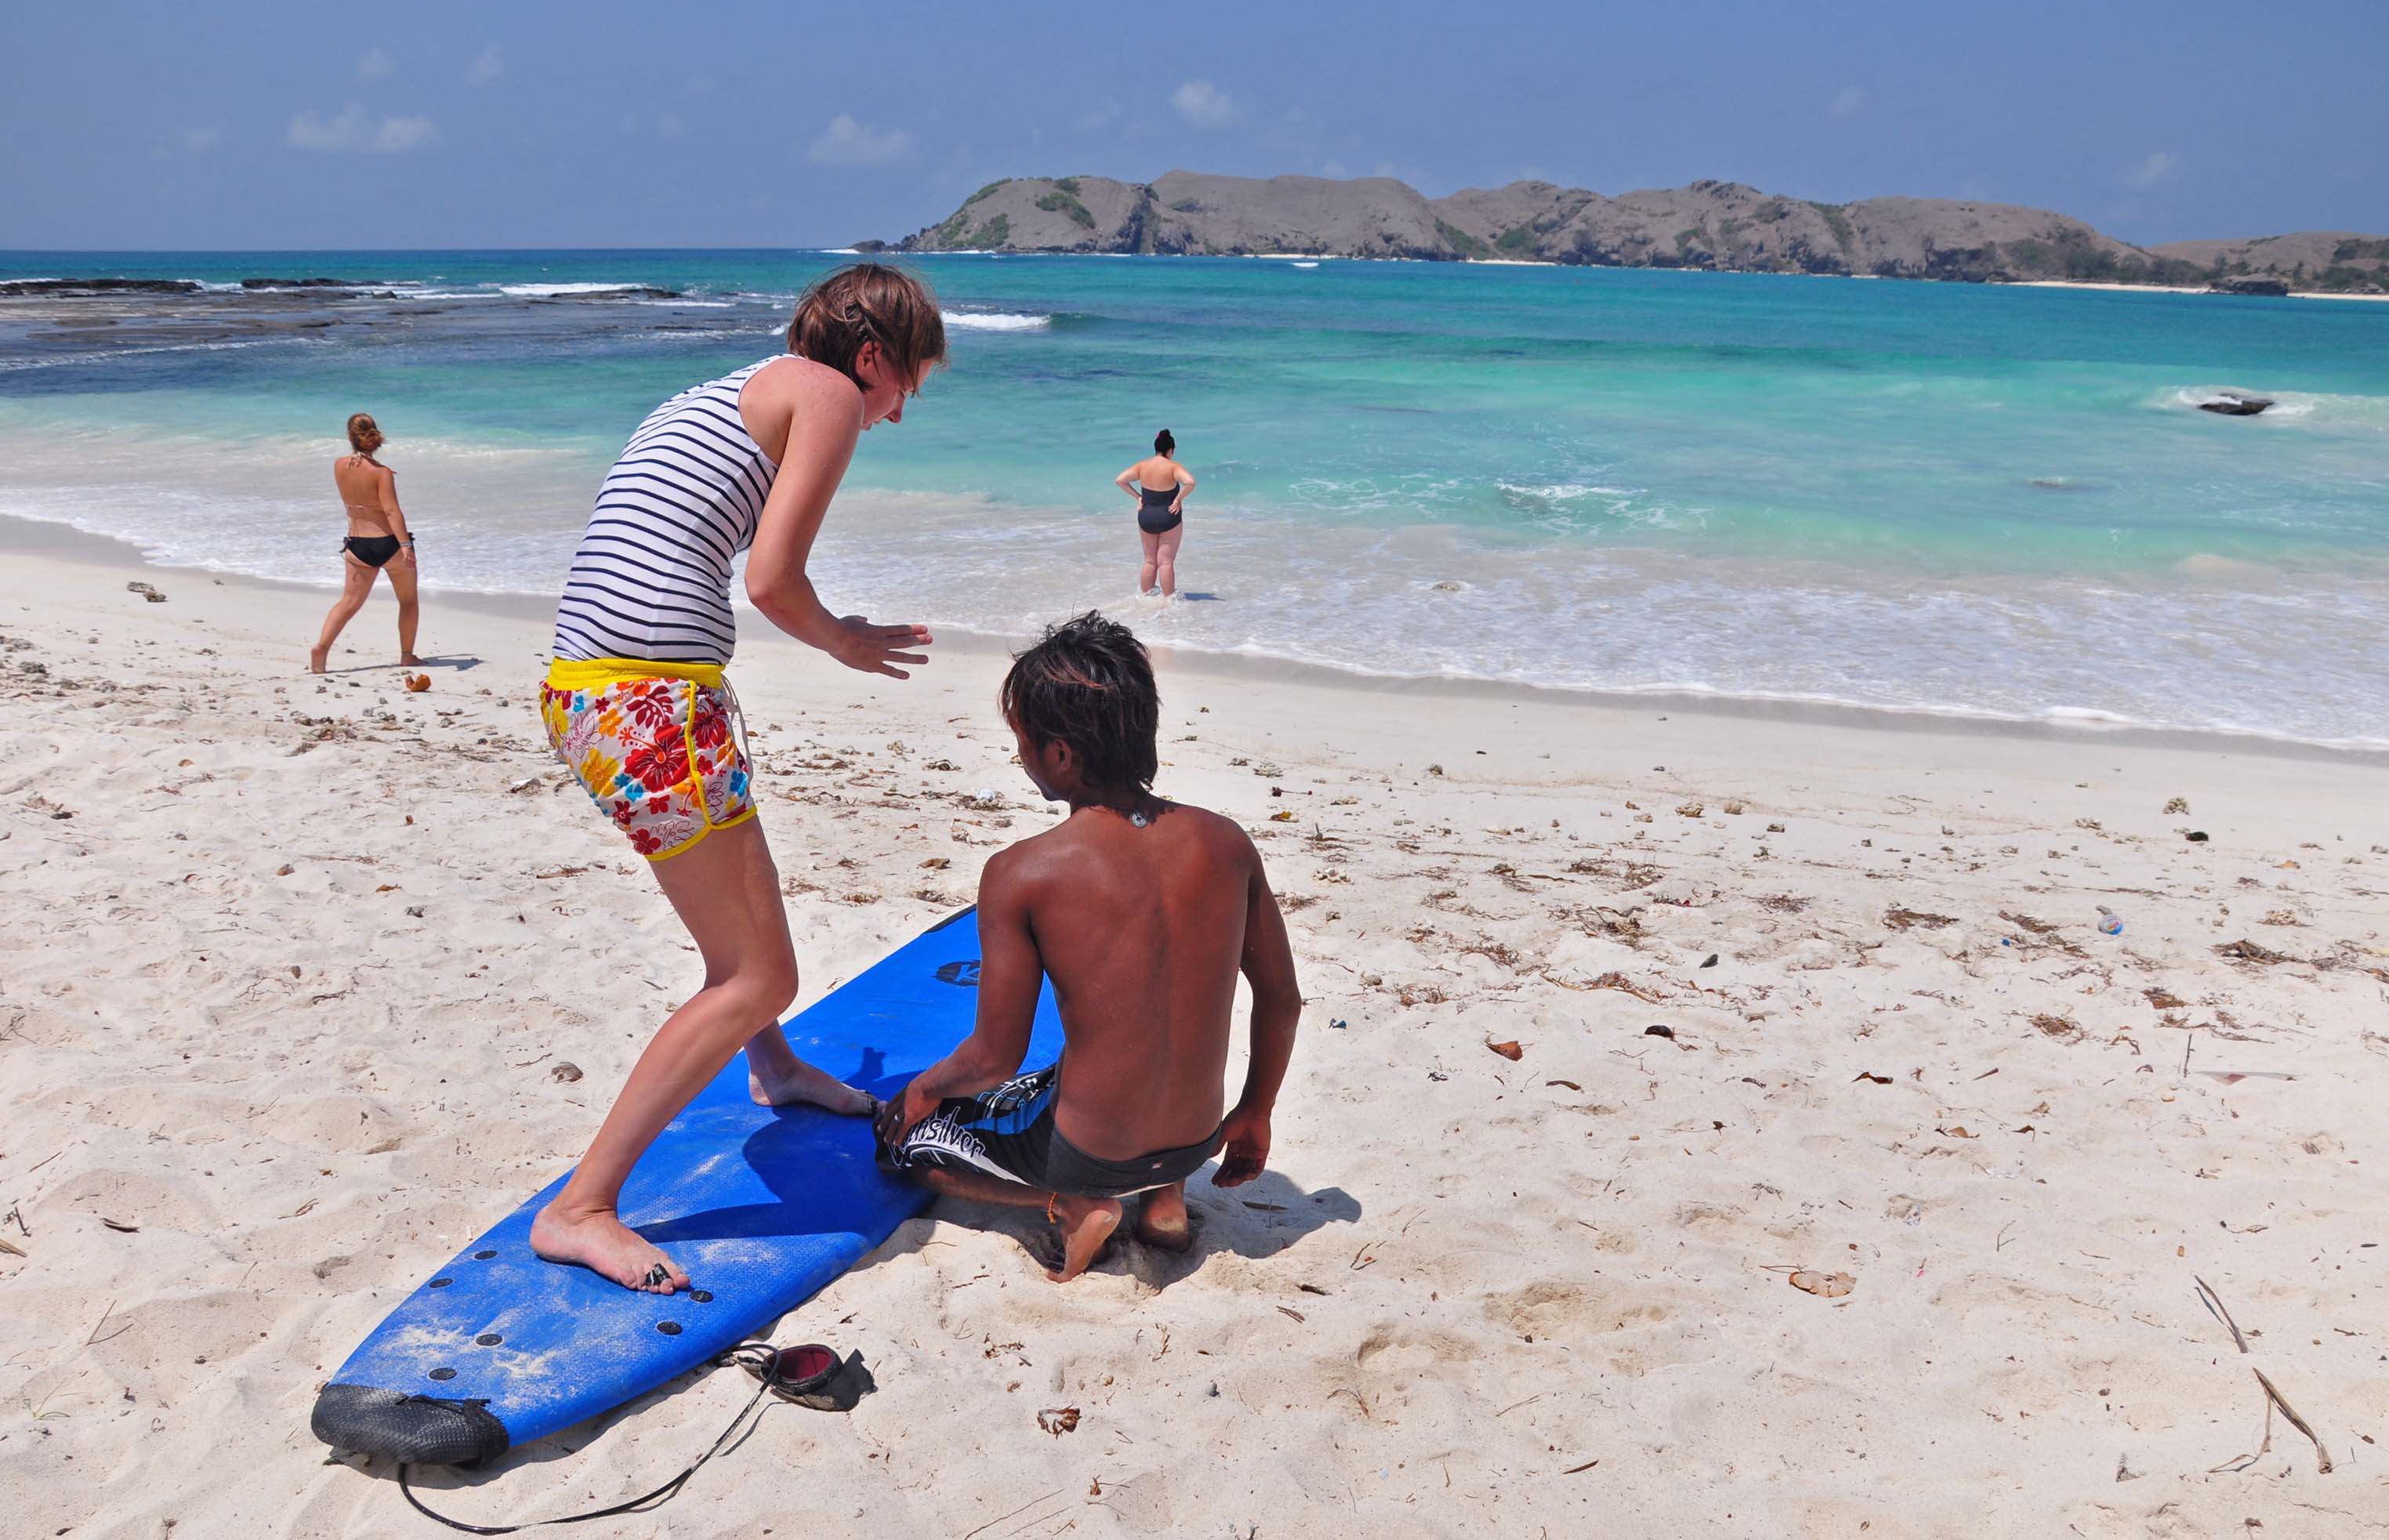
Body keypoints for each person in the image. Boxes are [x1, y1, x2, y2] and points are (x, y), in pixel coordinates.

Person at [531, 263, 948, 1293]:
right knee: (756, 973)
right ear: (871, 359)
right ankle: (580, 1207)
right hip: (645, 704)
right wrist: (844, 641)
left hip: (614, 692)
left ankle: (776, 1067)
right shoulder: (831, 395)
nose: (895, 415)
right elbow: (770, 579)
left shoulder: (735, 387)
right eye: (910, 388)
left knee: (755, 943)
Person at [874, 612, 1301, 1281]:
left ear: (1062, 754)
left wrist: (923, 1089)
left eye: (1023, 742)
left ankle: (1070, 1202)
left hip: (1092, 1152)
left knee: (906, 1144)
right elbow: (1281, 1000)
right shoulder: (1227, 843)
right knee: (1075, 1072)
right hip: (1197, 1140)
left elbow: (994, 1055)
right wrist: (1254, 1111)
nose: (1020, 757)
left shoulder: (1024, 871)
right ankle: (1165, 1199)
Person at [310, 414, 421, 673]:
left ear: (350, 437)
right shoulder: (382, 474)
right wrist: (405, 545)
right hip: (389, 545)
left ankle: (322, 649)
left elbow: (359, 480)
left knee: (348, 603)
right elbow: (392, 512)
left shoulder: (339, 465)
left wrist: (378, 467)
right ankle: (407, 656)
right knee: (408, 601)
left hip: (358, 545)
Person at [1113, 429, 1194, 597]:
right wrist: (1178, 500)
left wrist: (1138, 497)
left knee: (1150, 561)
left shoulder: (1142, 466)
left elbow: (1120, 480)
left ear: (1156, 448)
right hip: (1168, 517)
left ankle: (1145, 598)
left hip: (1146, 516)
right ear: (1171, 450)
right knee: (1165, 562)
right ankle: (1170, 601)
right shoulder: (1173, 467)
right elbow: (1190, 483)